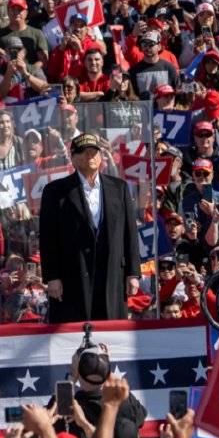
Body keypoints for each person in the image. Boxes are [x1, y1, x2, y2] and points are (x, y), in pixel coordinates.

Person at [39, 134, 140, 323]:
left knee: (111, 331)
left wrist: (133, 273)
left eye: (94, 152)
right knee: (75, 331)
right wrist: (52, 276)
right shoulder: (55, 191)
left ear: (101, 156)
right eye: (83, 152)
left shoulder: (119, 188)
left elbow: (130, 233)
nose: (90, 156)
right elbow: (48, 238)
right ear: (73, 158)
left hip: (112, 273)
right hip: (73, 275)